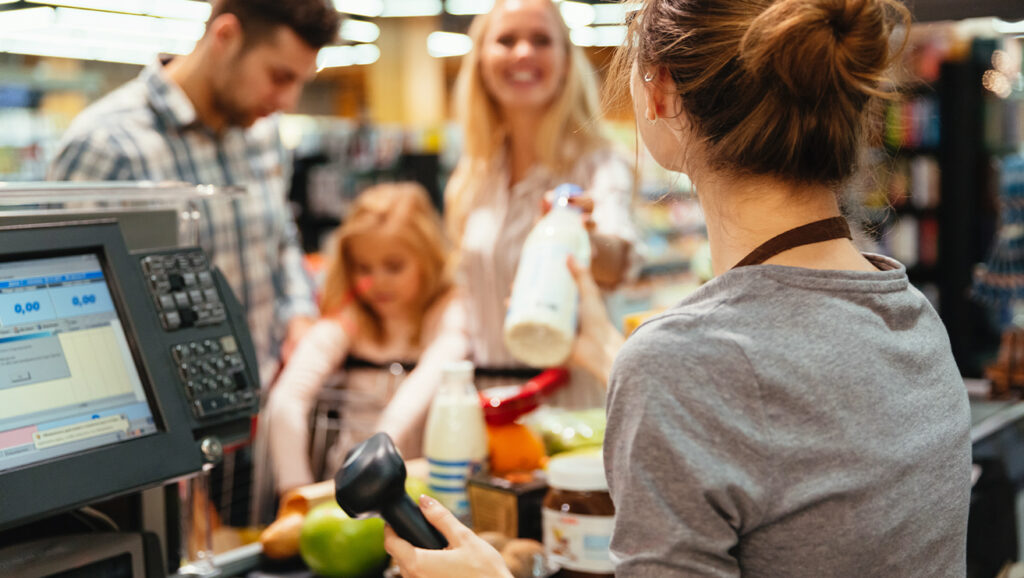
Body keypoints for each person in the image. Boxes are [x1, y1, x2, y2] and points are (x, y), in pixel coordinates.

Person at [384, 0, 972, 575]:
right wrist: (603, 349)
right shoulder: (912, 316)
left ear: (660, 92)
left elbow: (719, 388)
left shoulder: (682, 361)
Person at [47, 0, 341, 383]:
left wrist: (299, 315)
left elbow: (281, 239)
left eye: (301, 82)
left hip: (267, 399)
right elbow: (62, 305)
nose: (288, 101)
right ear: (226, 37)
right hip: (174, 418)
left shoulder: (263, 134)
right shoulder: (106, 145)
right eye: (280, 76)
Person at [445, 0, 641, 408]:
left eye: (540, 40)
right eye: (506, 40)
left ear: (567, 62)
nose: (523, 53)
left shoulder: (599, 162)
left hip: (572, 405)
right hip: (490, 405)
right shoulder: (472, 176)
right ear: (480, 59)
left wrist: (583, 236)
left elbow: (619, 260)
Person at [265, 183, 467, 493]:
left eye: (394, 266)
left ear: (427, 257)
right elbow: (286, 400)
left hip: (427, 489)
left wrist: (381, 446)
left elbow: (439, 366)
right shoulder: (349, 320)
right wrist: (295, 490)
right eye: (363, 267)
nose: (378, 282)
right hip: (350, 492)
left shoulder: (449, 311)